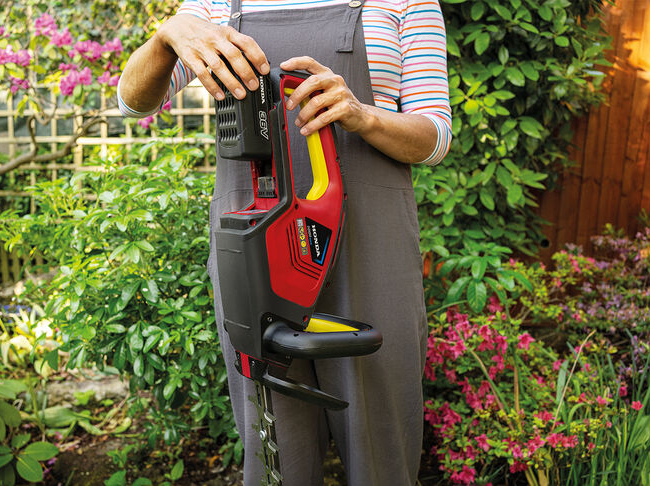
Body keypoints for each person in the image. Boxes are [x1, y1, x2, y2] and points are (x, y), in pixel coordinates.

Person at [118, 0, 451, 483]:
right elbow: (133, 100)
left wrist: (362, 115)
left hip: (370, 247)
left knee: (383, 449)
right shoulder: (216, 4)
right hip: (255, 252)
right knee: (275, 452)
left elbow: (435, 135)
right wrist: (169, 34)